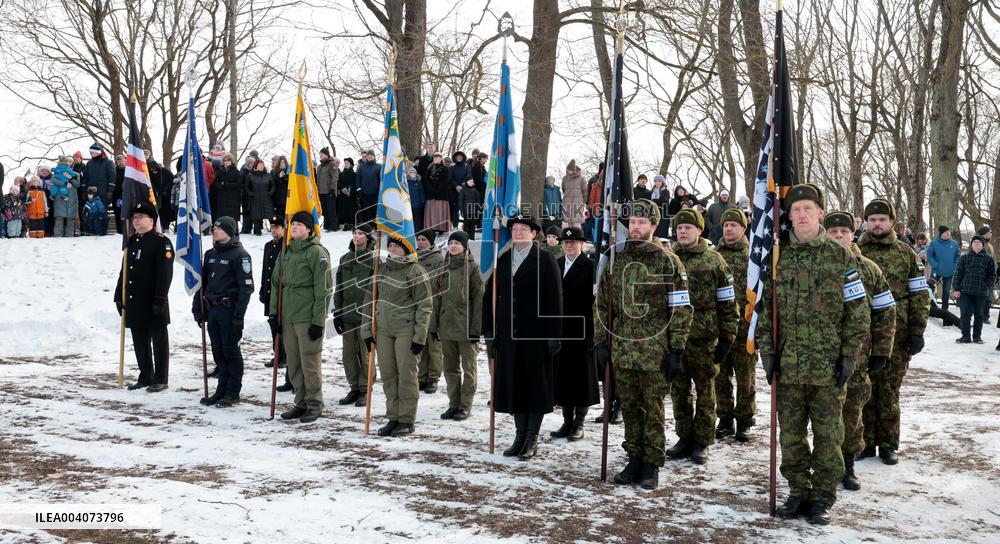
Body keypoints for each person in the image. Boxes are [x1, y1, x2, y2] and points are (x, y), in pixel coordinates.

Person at [756, 184, 870, 525]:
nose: (802, 215)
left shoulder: (841, 256)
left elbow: (858, 313)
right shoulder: (778, 257)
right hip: (788, 367)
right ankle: (798, 492)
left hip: (828, 369)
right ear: (788, 216)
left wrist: (849, 356)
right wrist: (767, 350)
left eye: (808, 208)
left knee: (829, 437)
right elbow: (765, 311)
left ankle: (822, 496)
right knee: (790, 436)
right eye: (796, 210)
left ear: (820, 213)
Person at [594, 199, 692, 489]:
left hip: (654, 351)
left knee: (652, 410)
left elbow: (681, 308)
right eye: (632, 222)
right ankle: (634, 458)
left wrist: (677, 349)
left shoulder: (668, 260)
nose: (635, 227)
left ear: (653, 225)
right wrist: (601, 341)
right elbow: (602, 303)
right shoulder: (617, 259)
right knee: (630, 407)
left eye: (641, 222)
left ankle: (652, 464)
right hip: (623, 350)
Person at [824, 211, 896, 491]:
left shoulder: (869, 269)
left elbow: (885, 311)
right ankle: (825, 463)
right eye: (833, 233)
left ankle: (848, 464)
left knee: (852, 411)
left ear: (852, 235)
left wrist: (881, 350)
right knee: (825, 414)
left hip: (857, 356)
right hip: (822, 357)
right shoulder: (818, 265)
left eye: (844, 233)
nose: (839, 237)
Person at [483, 212, 563, 461]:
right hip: (508, 335)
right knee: (515, 385)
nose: (518, 232)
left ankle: (531, 438)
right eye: (514, 228)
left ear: (534, 233)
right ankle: (519, 436)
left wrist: (554, 335)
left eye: (523, 229)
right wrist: (489, 331)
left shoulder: (545, 259)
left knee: (535, 387)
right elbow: (490, 298)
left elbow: (555, 299)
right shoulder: (503, 260)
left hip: (536, 335)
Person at [857, 198, 930, 465]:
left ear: (891, 222)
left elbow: (920, 294)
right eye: (872, 220)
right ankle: (864, 442)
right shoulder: (855, 251)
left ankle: (887, 444)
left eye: (882, 220)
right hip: (862, 332)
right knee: (863, 390)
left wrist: (916, 330)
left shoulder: (905, 253)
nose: (876, 224)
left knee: (888, 390)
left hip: (897, 335)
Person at [667, 208, 739, 465]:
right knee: (679, 390)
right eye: (679, 228)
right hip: (674, 338)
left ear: (700, 231)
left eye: (688, 227)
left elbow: (728, 302)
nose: (683, 231)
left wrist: (728, 336)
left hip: (705, 337)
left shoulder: (714, 261)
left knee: (706, 391)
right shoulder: (668, 258)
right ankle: (684, 436)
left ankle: (703, 440)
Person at [362, 236, 433, 438]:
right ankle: (393, 416)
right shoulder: (381, 270)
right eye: (390, 246)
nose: (392, 249)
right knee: (388, 374)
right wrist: (367, 331)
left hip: (406, 330)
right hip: (384, 330)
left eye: (397, 246)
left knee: (406, 375)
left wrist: (420, 337)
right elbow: (369, 300)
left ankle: (406, 419)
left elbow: (425, 306)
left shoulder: (415, 271)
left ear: (406, 249)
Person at [269, 211, 333, 424]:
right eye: (292, 224)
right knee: (294, 362)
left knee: (309, 361)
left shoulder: (317, 252)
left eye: (298, 224)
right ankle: (301, 401)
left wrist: (318, 320)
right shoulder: (286, 251)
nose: (294, 227)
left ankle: (314, 403)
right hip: (288, 314)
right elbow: (276, 284)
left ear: (308, 228)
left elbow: (323, 289)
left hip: (307, 315)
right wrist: (274, 314)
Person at [114, 202, 175, 392]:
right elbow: (125, 271)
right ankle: (145, 375)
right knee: (139, 341)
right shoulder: (131, 242)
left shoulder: (160, 241)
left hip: (153, 299)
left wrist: (160, 298)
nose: (135, 220)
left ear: (151, 220)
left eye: (140, 217)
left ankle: (160, 378)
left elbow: (165, 273)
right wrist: (118, 295)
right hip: (134, 300)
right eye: (134, 217)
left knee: (158, 341)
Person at [194, 217, 253, 407]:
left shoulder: (240, 255)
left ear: (229, 231)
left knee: (230, 351)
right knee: (218, 352)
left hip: (229, 311)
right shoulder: (211, 254)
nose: (214, 231)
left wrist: (239, 315)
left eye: (218, 229)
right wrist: (198, 308)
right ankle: (221, 390)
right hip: (213, 310)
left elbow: (246, 289)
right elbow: (202, 284)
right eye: (213, 229)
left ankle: (232, 392)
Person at [550, 226, 599, 441]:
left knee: (582, 379)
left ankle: (579, 422)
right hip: (560, 330)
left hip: (582, 331)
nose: (569, 245)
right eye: (566, 242)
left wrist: (594, 333)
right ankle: (567, 421)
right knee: (563, 378)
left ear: (582, 244)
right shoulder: (556, 264)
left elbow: (596, 302)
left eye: (573, 242)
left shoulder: (591, 267)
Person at [430, 231, 483, 421]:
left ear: (465, 246)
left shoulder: (473, 268)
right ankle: (454, 404)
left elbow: (478, 300)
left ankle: (465, 405)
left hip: (466, 328)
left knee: (469, 369)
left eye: (457, 243)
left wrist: (476, 329)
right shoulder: (442, 268)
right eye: (450, 243)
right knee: (450, 368)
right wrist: (433, 326)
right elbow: (436, 300)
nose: (453, 246)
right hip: (446, 326)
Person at [714, 208, 757, 442]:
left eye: (734, 225)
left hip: (745, 329)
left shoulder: (754, 257)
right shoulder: (715, 255)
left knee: (745, 378)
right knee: (720, 377)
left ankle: (744, 420)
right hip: (720, 329)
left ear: (743, 228)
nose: (729, 229)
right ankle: (725, 418)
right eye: (726, 225)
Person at [333, 224, 375, 406]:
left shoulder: (375, 261)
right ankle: (354, 388)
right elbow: (339, 287)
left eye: (360, 234)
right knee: (348, 355)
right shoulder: (345, 259)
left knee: (365, 355)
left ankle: (366, 389)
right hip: (348, 314)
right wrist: (338, 312)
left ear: (368, 237)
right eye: (354, 233)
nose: (356, 236)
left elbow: (378, 290)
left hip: (366, 316)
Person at [260, 217, 292, 392]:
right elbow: (266, 270)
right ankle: (278, 354)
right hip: (270, 292)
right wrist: (262, 289)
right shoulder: (268, 246)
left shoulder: (286, 245)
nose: (274, 230)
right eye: (272, 227)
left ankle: (284, 355)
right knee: (273, 325)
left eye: (277, 227)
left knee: (283, 327)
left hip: (282, 293)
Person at [415, 231, 446, 394]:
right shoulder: (413, 258)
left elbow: (442, 285)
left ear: (431, 242)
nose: (420, 243)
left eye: (424, 240)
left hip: (434, 307)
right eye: (418, 240)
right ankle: (422, 376)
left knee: (434, 346)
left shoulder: (438, 259)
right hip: (417, 307)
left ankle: (433, 378)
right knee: (421, 344)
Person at [953, 235, 996, 344]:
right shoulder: (965, 257)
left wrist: (986, 285)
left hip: (981, 292)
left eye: (979, 242)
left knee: (979, 315)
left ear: (982, 245)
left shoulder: (989, 259)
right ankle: (965, 336)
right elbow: (958, 274)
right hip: (965, 290)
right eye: (974, 242)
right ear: (971, 245)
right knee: (965, 314)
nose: (976, 244)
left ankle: (977, 337)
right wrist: (956, 289)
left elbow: (993, 276)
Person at [926, 225, 960, 313]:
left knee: (946, 291)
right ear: (942, 233)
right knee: (930, 288)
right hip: (936, 271)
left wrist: (954, 265)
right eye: (947, 232)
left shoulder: (954, 243)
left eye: (949, 232)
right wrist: (935, 264)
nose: (949, 233)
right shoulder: (934, 243)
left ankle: (945, 310)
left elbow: (958, 255)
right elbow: (929, 255)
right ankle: (931, 308)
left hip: (949, 271)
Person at [50, 156, 81, 237]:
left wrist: (69, 177)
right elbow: (53, 180)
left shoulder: (76, 174)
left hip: (72, 198)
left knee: (71, 219)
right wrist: (64, 183)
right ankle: (57, 236)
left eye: (70, 162)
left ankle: (69, 236)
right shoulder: (56, 172)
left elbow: (77, 185)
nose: (68, 163)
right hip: (60, 197)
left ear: (72, 163)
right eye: (67, 161)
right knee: (59, 218)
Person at [422, 153, 451, 233]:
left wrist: (437, 189)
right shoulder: (429, 168)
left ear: (441, 158)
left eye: (438, 157)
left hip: (441, 194)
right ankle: (431, 227)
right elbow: (426, 180)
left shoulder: (445, 168)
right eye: (435, 157)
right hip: (430, 194)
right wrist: (431, 189)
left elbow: (445, 181)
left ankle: (441, 228)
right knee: (431, 211)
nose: (435, 158)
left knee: (440, 211)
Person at [212, 153, 243, 225]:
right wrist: (221, 185)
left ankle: (234, 233)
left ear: (231, 161)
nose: (226, 162)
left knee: (232, 218)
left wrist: (225, 184)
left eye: (228, 160)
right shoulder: (220, 171)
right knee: (222, 218)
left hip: (233, 199)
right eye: (224, 160)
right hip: (222, 198)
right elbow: (215, 183)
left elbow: (238, 184)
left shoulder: (236, 171)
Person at [245, 160, 274, 236]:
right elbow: (246, 186)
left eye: (262, 164)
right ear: (255, 166)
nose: (261, 166)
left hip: (266, 198)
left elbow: (273, 185)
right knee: (256, 216)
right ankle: (257, 232)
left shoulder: (268, 175)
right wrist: (250, 193)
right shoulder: (250, 175)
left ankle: (274, 232)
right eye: (260, 165)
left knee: (270, 216)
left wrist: (270, 193)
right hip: (255, 199)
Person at [83, 142, 116, 207]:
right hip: (90, 193)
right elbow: (85, 178)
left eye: (92, 152)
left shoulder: (108, 163)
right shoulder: (89, 164)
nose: (90, 153)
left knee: (102, 213)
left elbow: (112, 177)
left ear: (98, 152)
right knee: (91, 213)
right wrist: (84, 190)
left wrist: (110, 191)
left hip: (103, 193)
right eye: (90, 152)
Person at [317, 148, 340, 232]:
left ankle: (334, 226)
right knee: (325, 210)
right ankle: (326, 225)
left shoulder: (331, 164)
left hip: (329, 191)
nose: (321, 155)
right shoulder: (319, 167)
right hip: (321, 192)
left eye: (322, 154)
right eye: (320, 154)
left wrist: (332, 189)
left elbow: (335, 177)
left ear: (327, 155)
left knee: (331, 209)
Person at [561, 160, 587, 229]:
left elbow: (585, 191)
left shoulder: (581, 179)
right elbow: (563, 189)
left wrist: (583, 202)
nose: (568, 172)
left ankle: (578, 238)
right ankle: (570, 239)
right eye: (567, 170)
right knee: (569, 223)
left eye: (569, 170)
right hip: (567, 203)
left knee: (576, 223)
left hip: (578, 203)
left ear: (573, 170)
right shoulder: (565, 178)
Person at [357, 150, 381, 223]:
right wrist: (359, 190)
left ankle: (375, 225)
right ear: (366, 157)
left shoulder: (379, 166)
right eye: (369, 156)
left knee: (375, 210)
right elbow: (358, 179)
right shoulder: (362, 167)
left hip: (375, 193)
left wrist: (380, 190)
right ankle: (368, 226)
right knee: (366, 211)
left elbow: (381, 180)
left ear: (374, 157)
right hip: (364, 193)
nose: (370, 157)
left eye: (372, 155)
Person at [449, 151, 471, 227]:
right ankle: (455, 226)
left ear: (463, 157)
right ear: (455, 158)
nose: (459, 157)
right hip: (455, 191)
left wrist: (463, 185)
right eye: (457, 156)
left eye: (460, 156)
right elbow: (450, 179)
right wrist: (456, 186)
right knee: (455, 210)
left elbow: (469, 176)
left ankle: (466, 226)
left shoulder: (467, 166)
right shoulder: (452, 167)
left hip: (465, 191)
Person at [337, 158, 358, 229]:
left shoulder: (354, 174)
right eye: (345, 163)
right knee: (343, 209)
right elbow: (339, 183)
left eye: (347, 163)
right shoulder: (341, 174)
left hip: (351, 195)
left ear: (351, 165)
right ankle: (344, 223)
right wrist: (342, 188)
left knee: (351, 209)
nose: (345, 164)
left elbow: (355, 183)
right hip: (343, 195)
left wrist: (349, 188)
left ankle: (351, 223)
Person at [408, 167, 426, 233]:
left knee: (417, 219)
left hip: (417, 204)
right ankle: (410, 231)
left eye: (414, 173)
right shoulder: (407, 182)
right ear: (409, 174)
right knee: (410, 219)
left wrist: (422, 201)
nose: (412, 174)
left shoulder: (419, 183)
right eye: (411, 172)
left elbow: (422, 192)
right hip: (408, 204)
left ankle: (417, 231)